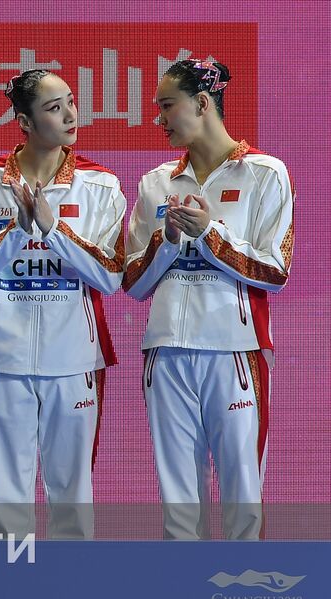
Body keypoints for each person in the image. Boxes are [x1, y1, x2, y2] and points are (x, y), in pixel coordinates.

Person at [0, 69, 125, 539]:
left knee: (72, 492)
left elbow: (111, 276)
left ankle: (71, 596)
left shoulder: (100, 185)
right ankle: (10, 594)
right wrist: (16, 234)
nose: (71, 114)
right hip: (2, 358)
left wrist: (53, 230)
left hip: (74, 359)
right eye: (54, 108)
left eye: (70, 101)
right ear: (23, 122)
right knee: (5, 496)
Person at [124, 59, 291, 540]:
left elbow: (275, 271)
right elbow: (132, 283)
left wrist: (211, 236)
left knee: (242, 497)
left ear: (201, 103)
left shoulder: (264, 173)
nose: (159, 119)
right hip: (166, 354)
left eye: (166, 106)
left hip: (235, 352)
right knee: (179, 506)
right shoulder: (156, 183)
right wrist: (169, 241)